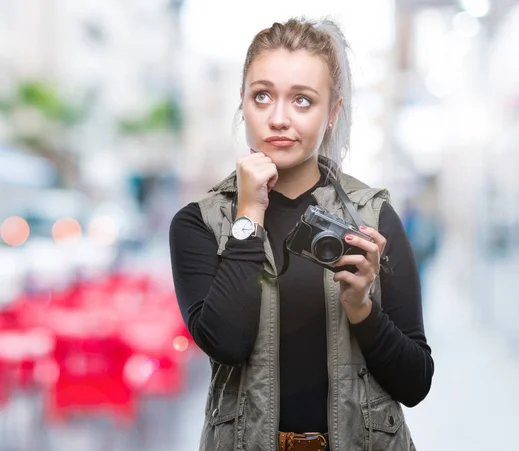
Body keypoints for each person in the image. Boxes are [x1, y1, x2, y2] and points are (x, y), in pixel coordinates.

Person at [169, 17, 434, 451]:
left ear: (332, 113)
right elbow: (227, 342)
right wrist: (250, 212)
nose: (278, 118)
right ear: (242, 103)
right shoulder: (200, 223)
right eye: (262, 96)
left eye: (302, 101)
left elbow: (416, 383)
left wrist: (361, 308)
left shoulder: (373, 216)